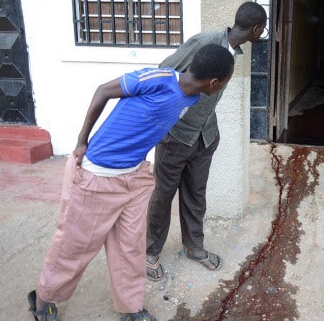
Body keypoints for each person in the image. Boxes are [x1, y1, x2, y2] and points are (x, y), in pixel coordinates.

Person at [27, 44, 235, 321]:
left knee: (130, 247)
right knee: (75, 245)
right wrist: (81, 140)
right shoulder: (158, 79)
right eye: (226, 82)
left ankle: (130, 308)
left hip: (134, 178)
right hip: (97, 175)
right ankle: (43, 300)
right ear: (215, 83)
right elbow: (103, 90)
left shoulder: (192, 100)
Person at [145, 2, 267, 281]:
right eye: (263, 28)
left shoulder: (233, 51)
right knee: (163, 197)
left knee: (196, 196)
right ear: (256, 28)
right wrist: (165, 119)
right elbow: (164, 71)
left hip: (204, 137)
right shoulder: (205, 42)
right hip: (175, 135)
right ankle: (150, 252)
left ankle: (194, 247)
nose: (262, 33)